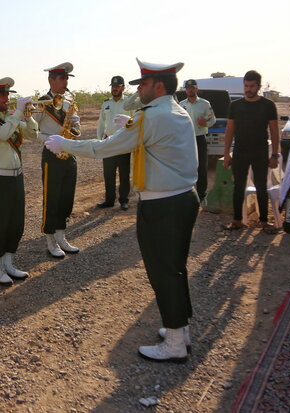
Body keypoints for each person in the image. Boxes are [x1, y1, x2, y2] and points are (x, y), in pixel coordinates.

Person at [46, 58, 199, 363]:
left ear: (158, 85)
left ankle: (175, 342)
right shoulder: (176, 110)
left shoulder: (151, 117)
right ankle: (180, 329)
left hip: (162, 205)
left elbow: (101, 149)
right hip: (184, 198)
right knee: (176, 267)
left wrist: (65, 143)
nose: (138, 89)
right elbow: (155, 143)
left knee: (162, 270)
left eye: (142, 84)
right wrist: (130, 126)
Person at [0, 77, 37, 285]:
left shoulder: (11, 118)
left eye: (7, 95)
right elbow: (3, 135)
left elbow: (33, 134)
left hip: (16, 176)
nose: (6, 99)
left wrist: (28, 116)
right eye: (2, 95)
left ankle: (9, 262)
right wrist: (18, 113)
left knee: (16, 221)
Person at [32, 63, 81, 258]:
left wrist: (76, 128)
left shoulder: (69, 101)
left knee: (66, 196)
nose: (65, 81)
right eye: (62, 78)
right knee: (52, 197)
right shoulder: (43, 103)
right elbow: (32, 130)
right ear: (51, 80)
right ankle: (50, 239)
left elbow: (75, 123)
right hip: (52, 155)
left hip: (69, 153)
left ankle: (61, 236)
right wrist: (50, 140)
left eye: (67, 78)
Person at [223, 70, 280, 233]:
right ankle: (236, 220)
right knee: (238, 186)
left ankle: (263, 222)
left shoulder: (268, 105)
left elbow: (274, 131)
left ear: (259, 86)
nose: (248, 89)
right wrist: (226, 153)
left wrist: (275, 154)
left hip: (260, 151)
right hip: (240, 151)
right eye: (246, 86)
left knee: (261, 186)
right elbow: (229, 130)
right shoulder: (235, 105)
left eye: (252, 86)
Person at [96, 75, 135, 211]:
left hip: (123, 142)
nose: (115, 89)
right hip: (109, 142)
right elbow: (101, 123)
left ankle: (124, 200)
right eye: (113, 86)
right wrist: (100, 139)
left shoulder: (129, 103)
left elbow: (134, 121)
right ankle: (109, 200)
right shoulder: (106, 103)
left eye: (118, 86)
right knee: (108, 173)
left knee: (124, 174)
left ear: (123, 88)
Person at [179, 79, 216, 202]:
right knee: (185, 167)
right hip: (186, 139)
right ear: (186, 90)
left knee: (201, 168)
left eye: (192, 87)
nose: (190, 90)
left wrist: (205, 123)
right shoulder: (181, 104)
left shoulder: (205, 104)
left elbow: (213, 120)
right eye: (188, 88)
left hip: (200, 138)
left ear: (196, 89)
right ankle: (186, 193)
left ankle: (201, 195)